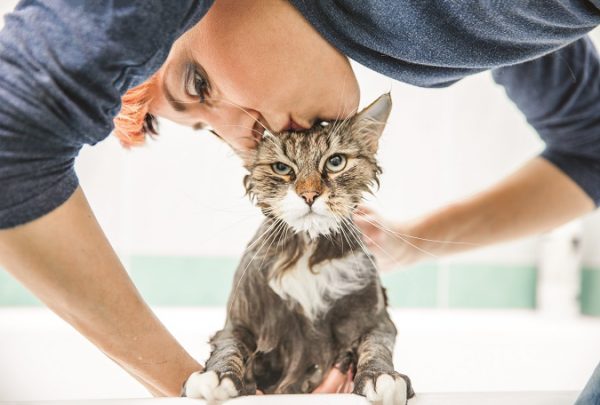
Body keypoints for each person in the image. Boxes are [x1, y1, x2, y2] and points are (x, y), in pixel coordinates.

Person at [0, 0, 599, 402]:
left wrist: (184, 387)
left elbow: (11, 138)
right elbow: (591, 147)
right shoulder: (423, 39)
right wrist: (403, 244)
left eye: (198, 84)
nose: (246, 142)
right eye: (209, 128)